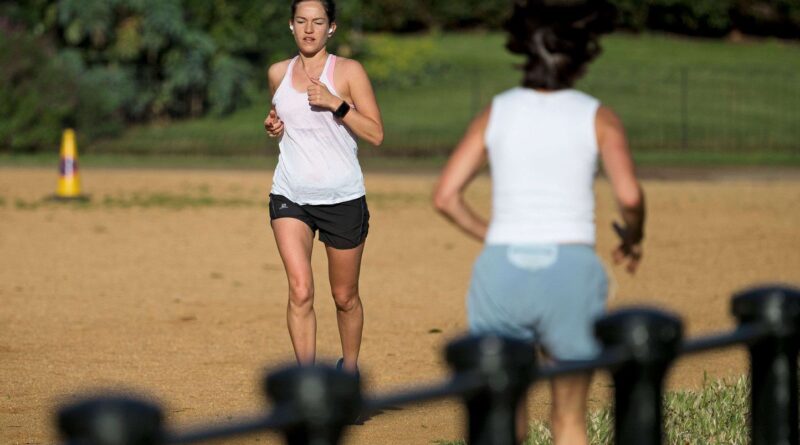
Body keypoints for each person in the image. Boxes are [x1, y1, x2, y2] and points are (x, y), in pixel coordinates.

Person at [432, 1, 645, 444]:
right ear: (581, 58)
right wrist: (634, 235)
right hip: (570, 268)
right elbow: (628, 196)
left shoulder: (497, 111)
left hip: (501, 269)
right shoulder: (598, 116)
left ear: (525, 52)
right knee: (568, 419)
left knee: (502, 416)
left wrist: (495, 234)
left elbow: (446, 197)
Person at [263, 0, 383, 374]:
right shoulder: (277, 72)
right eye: (302, 21)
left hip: (341, 197)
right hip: (290, 195)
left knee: (344, 297)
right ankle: (308, 386)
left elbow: (376, 134)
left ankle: (348, 377)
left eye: (318, 22)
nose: (309, 29)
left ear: (331, 27)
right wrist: (273, 126)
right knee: (300, 290)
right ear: (291, 25)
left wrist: (337, 104)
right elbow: (284, 120)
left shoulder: (348, 71)